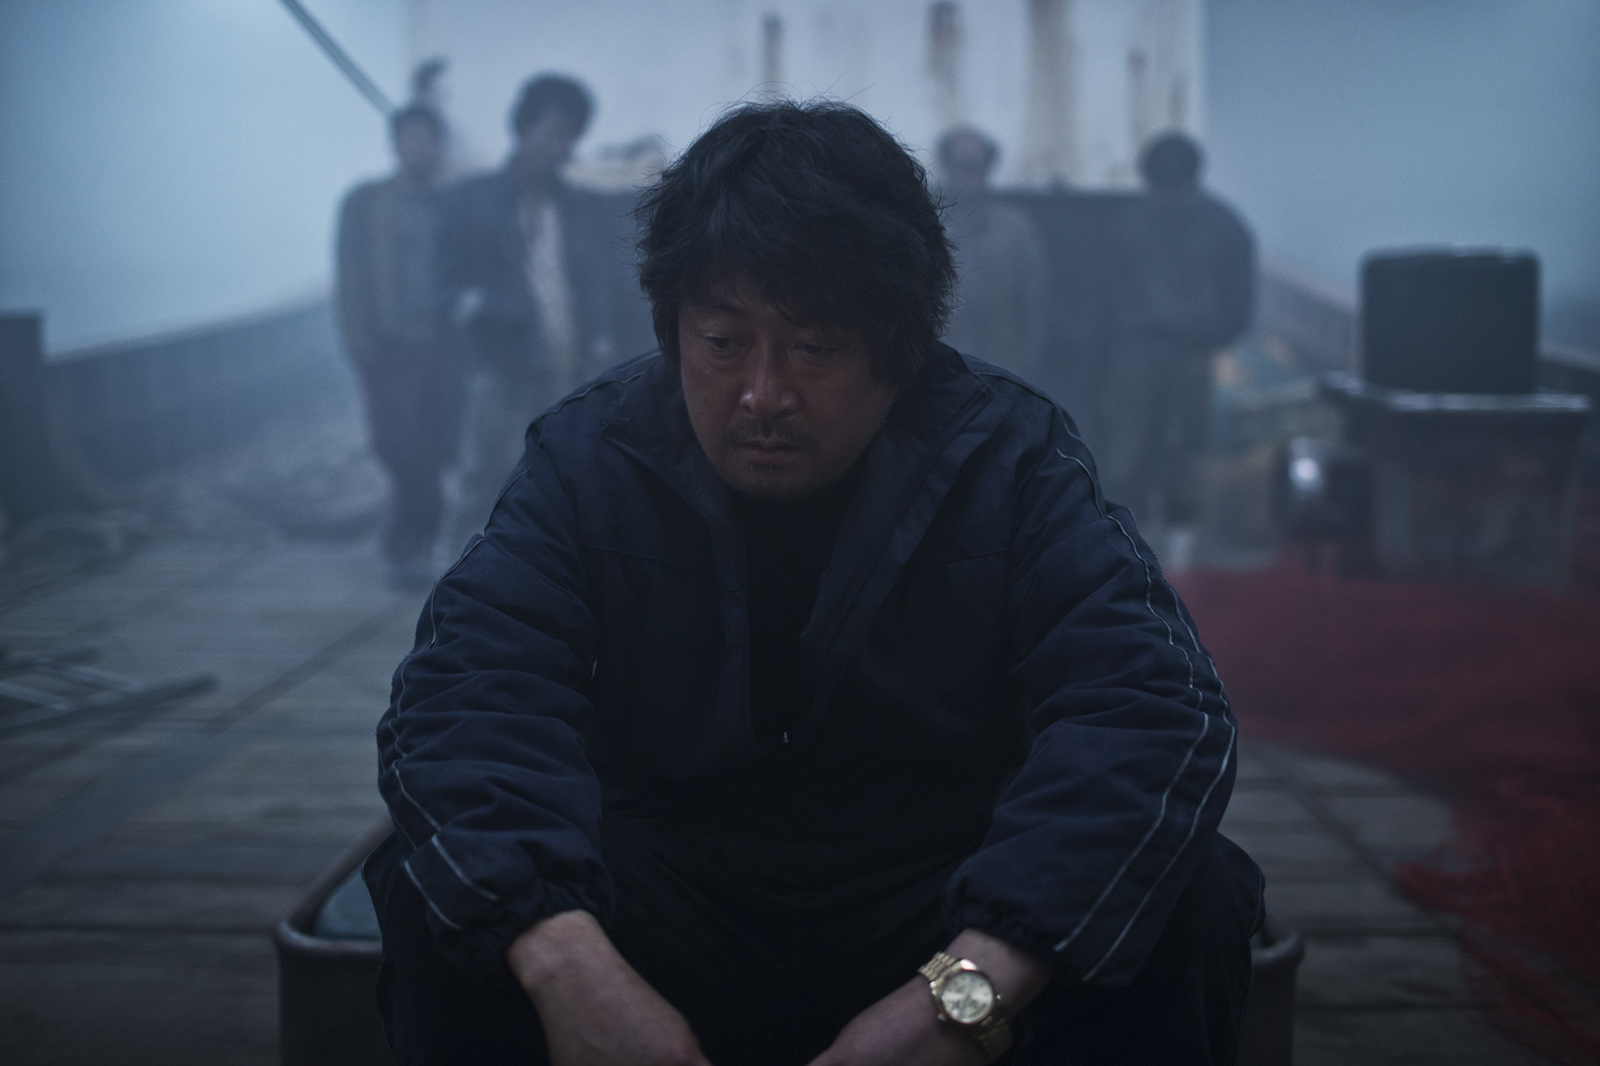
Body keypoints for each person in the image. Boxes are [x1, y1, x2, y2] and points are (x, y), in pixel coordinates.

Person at [366, 101, 1262, 1066]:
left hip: (940, 895)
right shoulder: (593, 458)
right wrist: (565, 962)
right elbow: (467, 693)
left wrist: (970, 991)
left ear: (898, 347)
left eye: (815, 348)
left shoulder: (1008, 458)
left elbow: (1148, 706)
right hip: (665, 896)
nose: (763, 395)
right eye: (722, 342)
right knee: (442, 891)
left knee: (1190, 894)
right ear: (672, 330)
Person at [434, 73, 622, 553]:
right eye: (554, 132)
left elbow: (595, 282)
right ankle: (452, 577)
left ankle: (536, 575)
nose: (562, 147)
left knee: (558, 476)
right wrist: (487, 307)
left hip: (567, 367)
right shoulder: (470, 202)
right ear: (523, 127)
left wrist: (600, 338)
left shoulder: (577, 207)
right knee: (481, 476)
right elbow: (441, 286)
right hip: (500, 366)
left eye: (571, 136)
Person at [1098, 132, 1255, 570]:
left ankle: (1152, 561)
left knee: (1161, 459)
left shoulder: (1129, 224)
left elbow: (1238, 306)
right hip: (1155, 356)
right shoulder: (1223, 224)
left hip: (1163, 356)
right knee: (1150, 459)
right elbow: (1239, 306)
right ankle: (1163, 562)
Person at [336, 102, 458, 584]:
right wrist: (358, 344)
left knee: (438, 444)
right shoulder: (365, 202)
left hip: (444, 345)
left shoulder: (452, 202)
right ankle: (407, 541)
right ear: (395, 144)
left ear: (440, 146)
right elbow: (348, 275)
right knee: (397, 447)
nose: (419, 148)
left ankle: (411, 550)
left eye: (428, 139)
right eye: (410, 138)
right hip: (388, 347)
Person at [936, 126, 1048, 383]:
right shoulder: (928, 224)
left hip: (999, 366)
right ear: (948, 168)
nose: (968, 179)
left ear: (987, 168)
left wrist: (1024, 366)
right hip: (940, 366)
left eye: (975, 168)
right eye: (961, 167)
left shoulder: (1015, 229)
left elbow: (1032, 303)